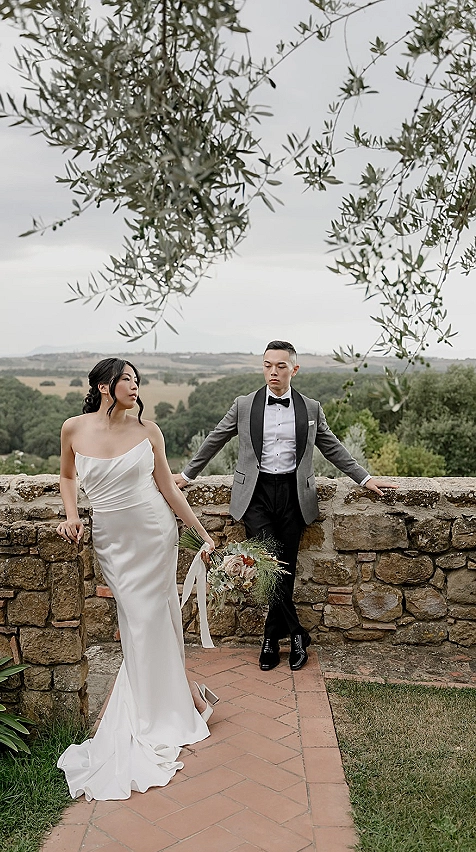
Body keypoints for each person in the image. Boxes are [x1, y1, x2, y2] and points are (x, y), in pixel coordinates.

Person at [175, 340, 398, 672]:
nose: (273, 372)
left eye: (280, 366)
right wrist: (187, 474)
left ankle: (271, 639)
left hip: (295, 496)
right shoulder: (244, 404)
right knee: (269, 567)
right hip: (256, 495)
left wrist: (365, 479)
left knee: (286, 568)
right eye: (267, 365)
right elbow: (216, 437)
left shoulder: (310, 408)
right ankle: (296, 635)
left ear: (294, 369)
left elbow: (333, 447)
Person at [55, 357, 218, 802]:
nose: (135, 385)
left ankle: (169, 708)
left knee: (151, 620)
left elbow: (167, 487)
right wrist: (71, 517)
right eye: (126, 379)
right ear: (104, 386)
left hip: (154, 534)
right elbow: (68, 476)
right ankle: (186, 699)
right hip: (111, 540)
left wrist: (203, 535)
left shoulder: (149, 431)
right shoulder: (73, 428)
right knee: (140, 622)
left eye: (137, 380)